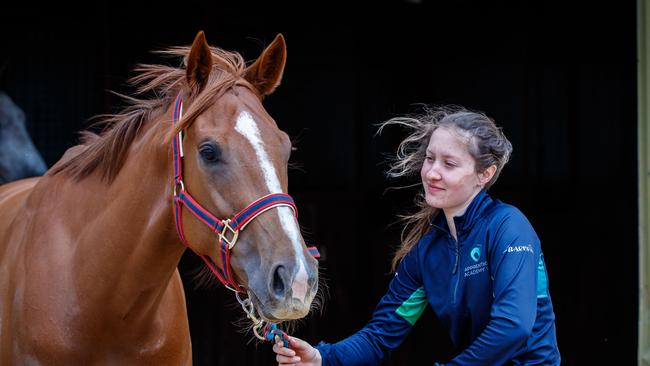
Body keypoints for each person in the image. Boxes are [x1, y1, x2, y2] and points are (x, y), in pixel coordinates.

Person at [272, 105, 561, 365]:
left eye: (449, 164)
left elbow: (514, 326)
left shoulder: (508, 226)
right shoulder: (427, 252)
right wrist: (323, 358)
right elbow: (380, 336)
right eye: (430, 159)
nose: (432, 173)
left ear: (485, 174)